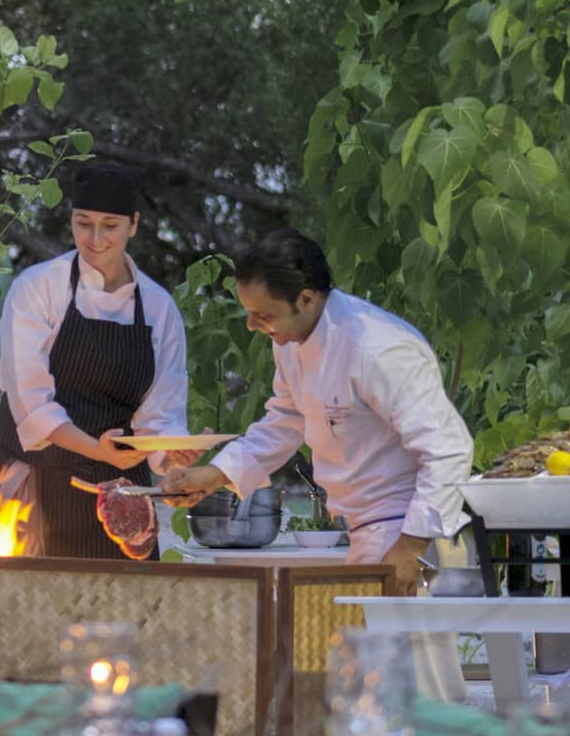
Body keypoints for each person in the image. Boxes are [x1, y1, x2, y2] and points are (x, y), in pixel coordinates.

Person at [163, 228, 473, 698]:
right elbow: (286, 419)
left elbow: (449, 448)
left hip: (410, 531)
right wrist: (216, 474)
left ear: (307, 299)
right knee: (368, 693)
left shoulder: (375, 347)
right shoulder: (288, 340)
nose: (252, 326)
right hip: (367, 532)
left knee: (418, 697)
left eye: (262, 315)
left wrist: (410, 549)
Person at [0, 159, 190, 558]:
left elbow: (161, 413)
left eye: (110, 225)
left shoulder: (159, 308)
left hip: (117, 493)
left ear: (134, 224)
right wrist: (97, 449)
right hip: (31, 487)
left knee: (122, 614)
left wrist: (172, 456)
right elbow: (31, 406)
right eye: (83, 223)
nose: (95, 239)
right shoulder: (37, 289)